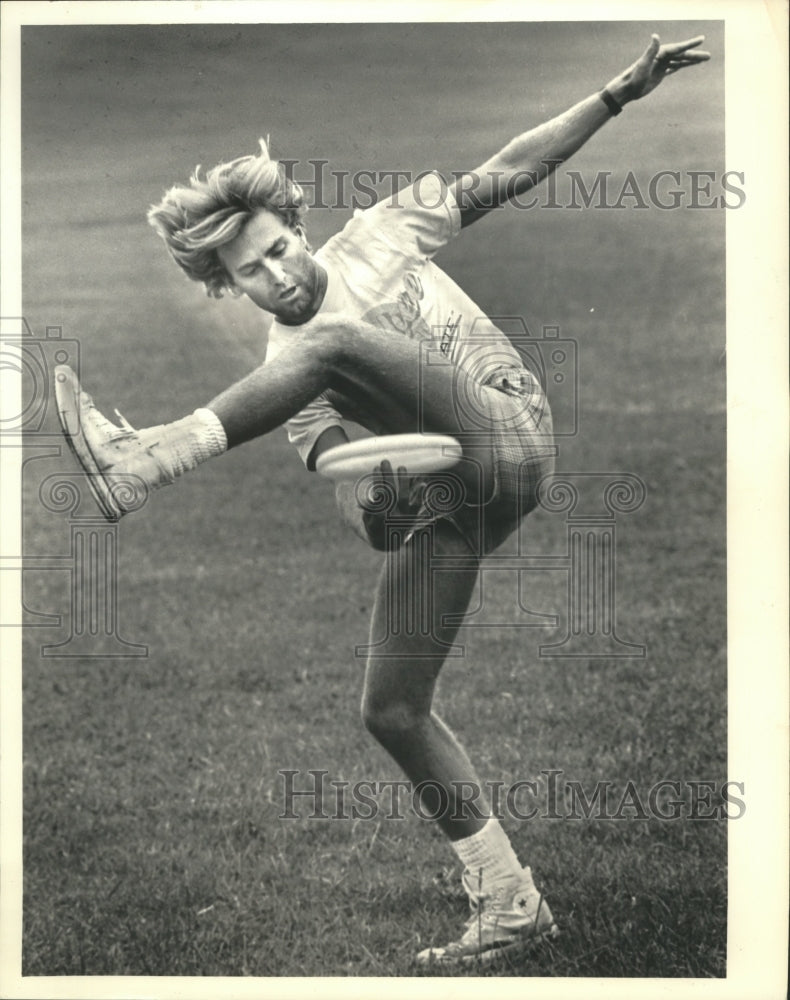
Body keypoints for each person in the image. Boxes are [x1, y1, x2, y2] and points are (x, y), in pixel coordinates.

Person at [54, 34, 709, 965]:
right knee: (390, 707)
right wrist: (383, 506)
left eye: (280, 250)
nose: (277, 276)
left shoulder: (376, 237)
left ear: (299, 229)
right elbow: (357, 509)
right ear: (224, 284)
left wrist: (617, 93)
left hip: (509, 430)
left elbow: (505, 172)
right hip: (464, 499)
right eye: (251, 272)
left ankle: (146, 459)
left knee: (325, 345)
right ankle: (510, 900)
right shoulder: (286, 380)